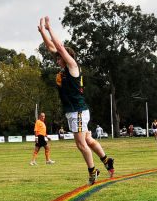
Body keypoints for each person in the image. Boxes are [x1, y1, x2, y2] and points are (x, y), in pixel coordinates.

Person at [37, 16, 114, 185]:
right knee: (87, 140)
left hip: (77, 111)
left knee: (80, 144)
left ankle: (93, 171)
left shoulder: (72, 66)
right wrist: (42, 31)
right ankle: (106, 160)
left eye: (59, 57)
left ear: (66, 57)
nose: (57, 59)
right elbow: (52, 47)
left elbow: (58, 46)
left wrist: (50, 28)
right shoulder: (64, 68)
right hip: (76, 110)